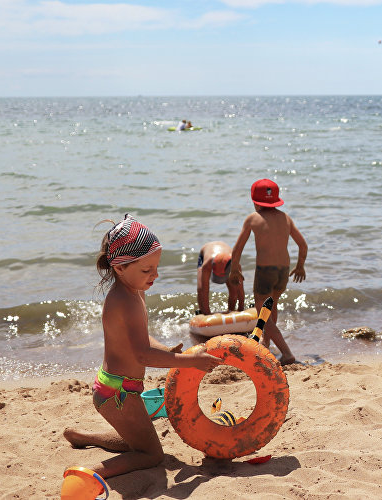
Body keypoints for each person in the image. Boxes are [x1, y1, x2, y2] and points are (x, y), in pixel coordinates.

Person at [63, 214, 223, 478]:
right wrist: (190, 361)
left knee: (135, 441)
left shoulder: (133, 291)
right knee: (152, 455)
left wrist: (167, 350)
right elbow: (142, 355)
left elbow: (141, 340)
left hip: (114, 387)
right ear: (120, 268)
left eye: (156, 267)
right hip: (119, 394)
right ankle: (88, 473)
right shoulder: (124, 301)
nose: (155, 275)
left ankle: (84, 437)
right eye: (147, 270)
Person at [228, 179, 307, 365]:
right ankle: (266, 341)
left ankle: (286, 353)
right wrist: (300, 265)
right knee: (273, 304)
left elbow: (237, 249)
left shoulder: (252, 219)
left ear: (255, 201)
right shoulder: (286, 218)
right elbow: (302, 245)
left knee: (261, 310)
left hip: (265, 271)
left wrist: (234, 270)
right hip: (284, 271)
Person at [196, 241, 245, 315]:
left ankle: (231, 310)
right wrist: (207, 315)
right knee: (200, 288)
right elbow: (204, 290)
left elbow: (240, 290)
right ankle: (202, 312)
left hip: (227, 258)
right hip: (206, 252)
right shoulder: (206, 265)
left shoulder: (236, 265)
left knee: (234, 290)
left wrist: (241, 309)